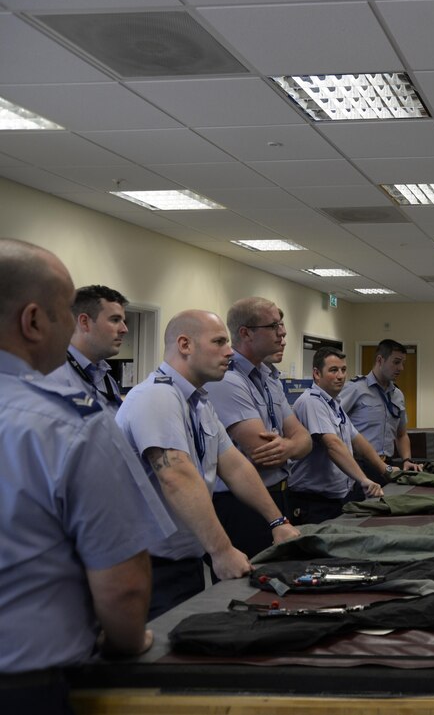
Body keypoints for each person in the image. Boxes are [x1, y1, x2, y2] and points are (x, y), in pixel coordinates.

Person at [0, 240, 159, 712]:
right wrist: (129, 641)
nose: (72, 327)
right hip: (25, 687)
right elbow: (123, 584)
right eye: (65, 314)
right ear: (33, 321)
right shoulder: (70, 423)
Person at [116, 309, 300, 619]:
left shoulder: (198, 403)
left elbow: (235, 466)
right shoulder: (157, 396)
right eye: (218, 342)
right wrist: (222, 550)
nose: (229, 351)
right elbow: (176, 476)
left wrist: (277, 523)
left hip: (183, 560)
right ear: (185, 345)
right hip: (150, 568)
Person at [205, 297, 312, 556]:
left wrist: (288, 446)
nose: (283, 332)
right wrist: (292, 445)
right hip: (242, 504)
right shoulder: (228, 379)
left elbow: (305, 439)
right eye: (274, 325)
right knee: (250, 577)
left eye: (281, 325)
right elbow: (263, 454)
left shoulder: (268, 377)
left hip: (279, 495)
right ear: (246, 333)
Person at [287, 348, 385, 523]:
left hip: (335, 500)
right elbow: (332, 445)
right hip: (313, 502)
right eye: (333, 370)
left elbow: (358, 440)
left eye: (343, 370)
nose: (340, 376)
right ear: (317, 374)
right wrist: (363, 479)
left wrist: (386, 469)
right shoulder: (312, 402)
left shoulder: (333, 404)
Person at [339, 339, 423, 481]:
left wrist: (406, 459)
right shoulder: (355, 389)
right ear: (380, 360)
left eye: (403, 363)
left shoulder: (397, 395)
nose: (401, 368)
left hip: (387, 465)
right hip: (359, 465)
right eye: (396, 362)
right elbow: (334, 424)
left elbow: (401, 434)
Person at [46, 284, 129, 413]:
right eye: (115, 320)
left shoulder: (108, 380)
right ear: (84, 322)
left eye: (123, 321)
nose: (124, 329)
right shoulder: (51, 376)